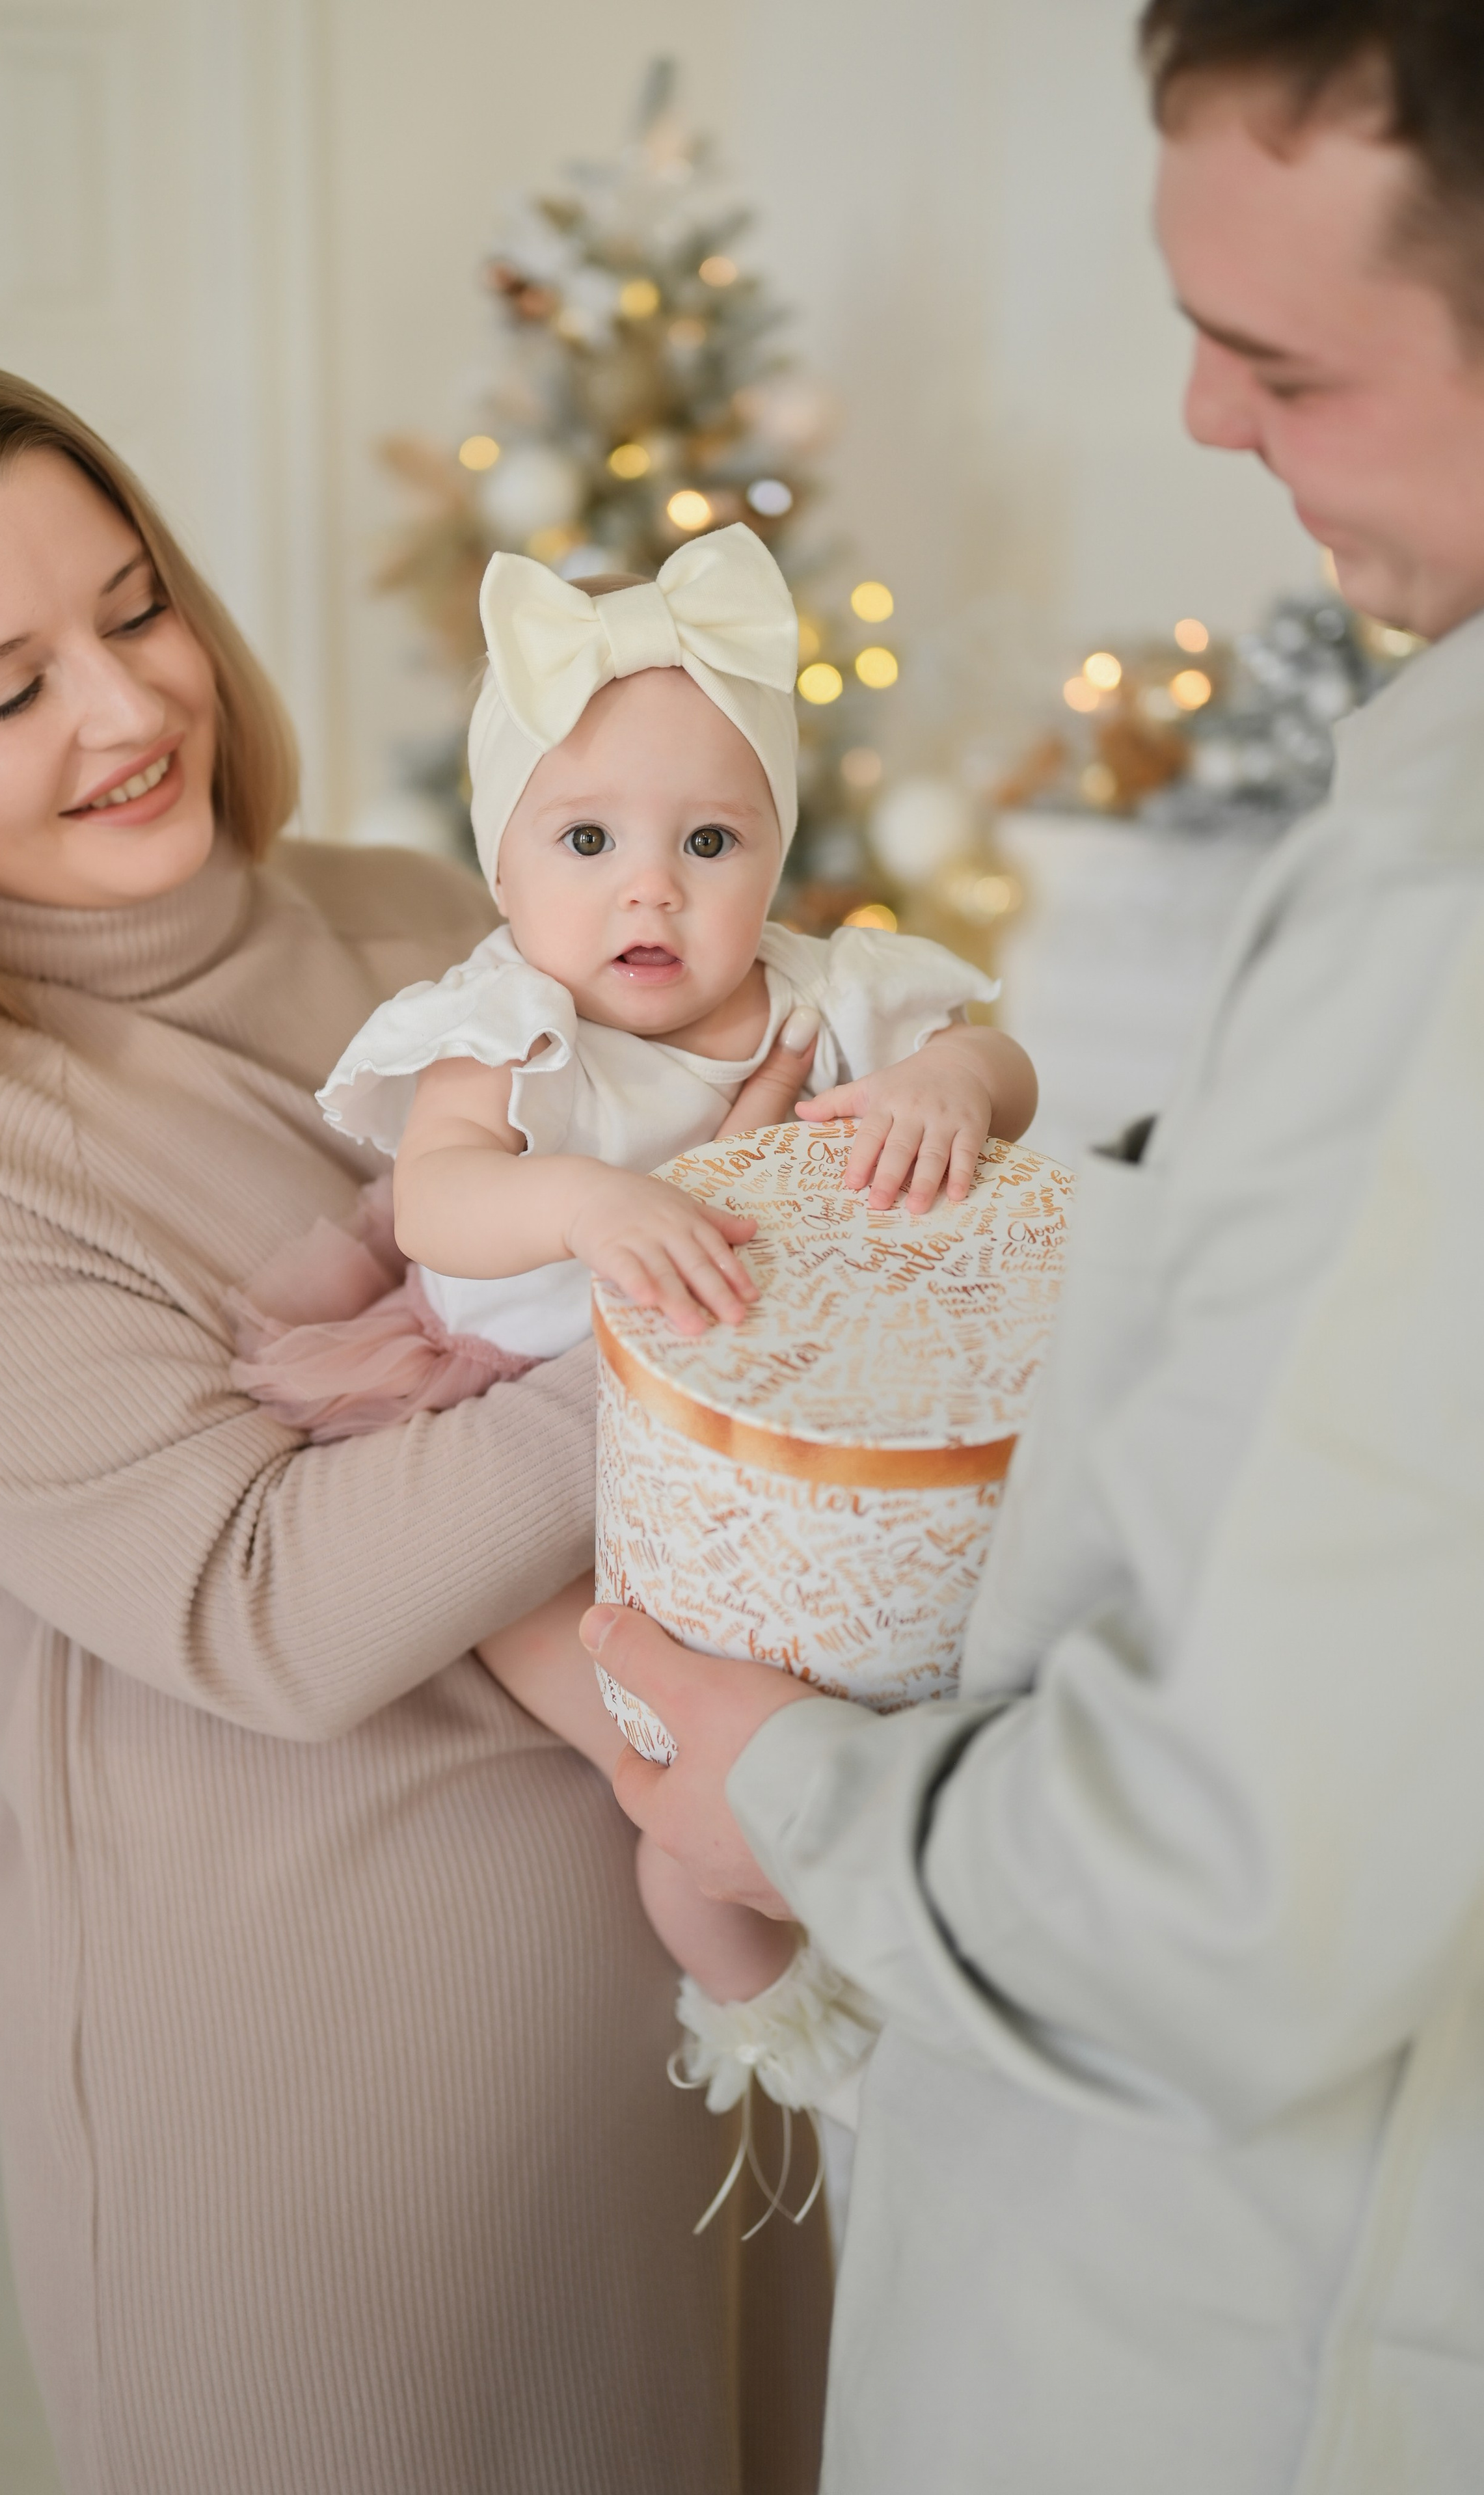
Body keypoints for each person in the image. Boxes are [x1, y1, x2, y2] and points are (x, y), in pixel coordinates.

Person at [586, 7, 1484, 2488]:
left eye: (1282, 361)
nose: (1206, 419)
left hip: (1242, 2323)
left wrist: (793, 1793)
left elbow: (1227, 1890)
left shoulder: (1445, 910)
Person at [0, 342, 833, 2495]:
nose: (125, 710)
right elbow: (263, 1601)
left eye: (132, 608)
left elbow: (805, 1068)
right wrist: (720, 1277)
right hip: (334, 2095)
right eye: (5, 693)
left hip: (697, 1989)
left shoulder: (409, 909)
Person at [230, 528, 1035, 2112]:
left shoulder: (825, 995)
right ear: (503, 863)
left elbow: (999, 1064)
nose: (648, 889)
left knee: (847, 1687)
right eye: (585, 838)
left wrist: (949, 1083)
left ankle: (882, 1952)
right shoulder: (510, 1022)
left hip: (742, 1433)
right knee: (659, 1768)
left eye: (711, 843)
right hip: (495, 1401)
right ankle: (781, 2042)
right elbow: (436, 1200)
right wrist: (585, 1205)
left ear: (775, 856)